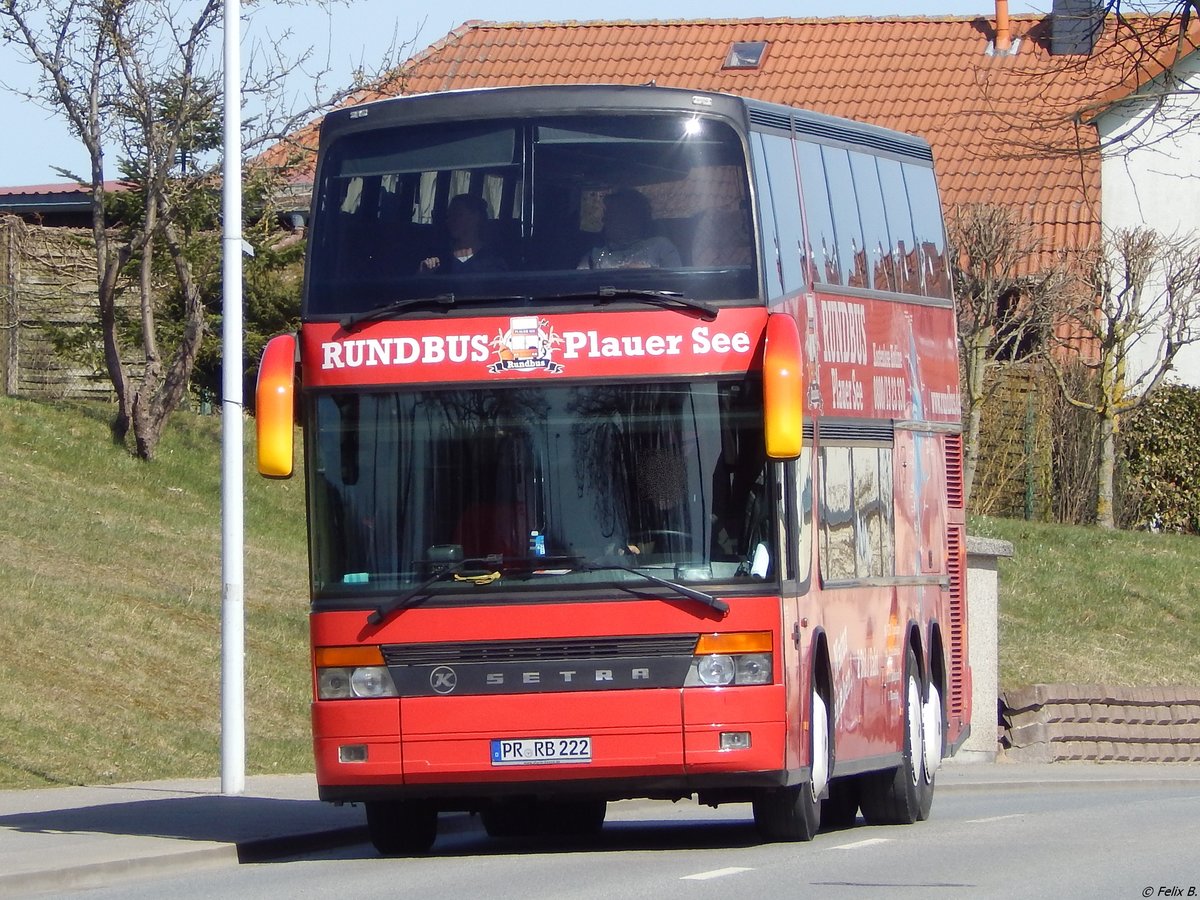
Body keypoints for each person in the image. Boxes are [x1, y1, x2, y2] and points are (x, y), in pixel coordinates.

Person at [578, 188, 681, 270]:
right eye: (606, 214)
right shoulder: (595, 255)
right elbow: (579, 284)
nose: (604, 219)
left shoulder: (660, 248)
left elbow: (674, 284)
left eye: (612, 214)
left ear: (633, 219)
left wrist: (645, 273)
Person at [419, 194, 507, 273]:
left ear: (475, 217)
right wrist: (424, 273)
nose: (450, 220)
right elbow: (419, 283)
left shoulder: (493, 260)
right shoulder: (438, 255)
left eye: (457, 214)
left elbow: (500, 284)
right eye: (449, 216)